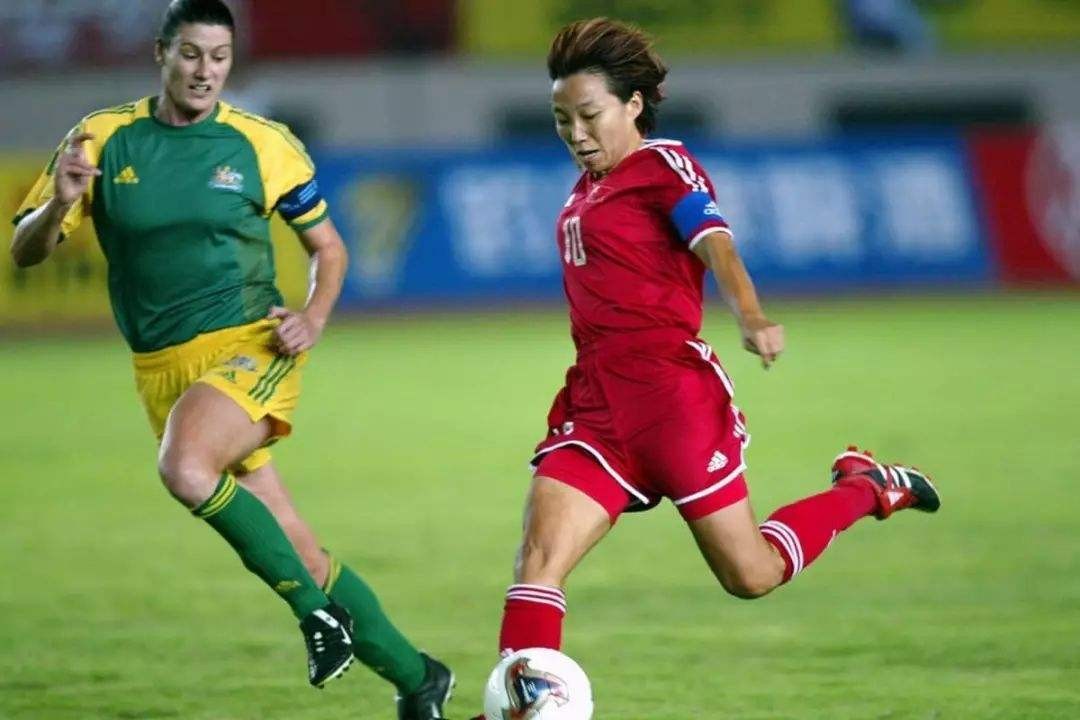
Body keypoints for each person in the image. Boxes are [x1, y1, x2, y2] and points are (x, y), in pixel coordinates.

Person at [477, 17, 941, 709]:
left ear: (633, 104)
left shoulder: (661, 166)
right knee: (537, 563)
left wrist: (750, 314)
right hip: (595, 408)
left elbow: (714, 240)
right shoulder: (583, 192)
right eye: (561, 120)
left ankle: (866, 487)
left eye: (589, 115)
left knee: (750, 574)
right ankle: (518, 710)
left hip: (675, 404)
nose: (576, 133)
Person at [10, 2, 453, 718]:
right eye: (191, 54)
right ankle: (419, 678)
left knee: (185, 469)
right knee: (301, 552)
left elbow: (329, 248)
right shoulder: (103, 137)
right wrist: (59, 206)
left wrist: (313, 316)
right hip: (162, 370)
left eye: (219, 57)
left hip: (252, 345)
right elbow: (24, 252)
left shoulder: (262, 144)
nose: (205, 71)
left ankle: (316, 617)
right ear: (161, 53)